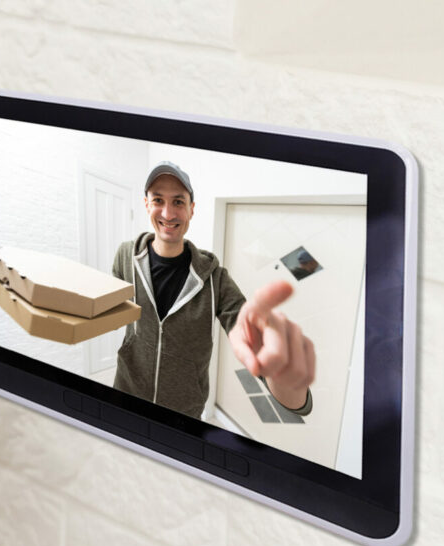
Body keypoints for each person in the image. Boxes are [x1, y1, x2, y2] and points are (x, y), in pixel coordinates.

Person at [110, 161, 317, 421]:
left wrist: (280, 369)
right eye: (158, 200)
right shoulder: (125, 256)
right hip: (125, 398)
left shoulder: (215, 279)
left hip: (183, 415)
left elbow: (250, 336)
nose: (168, 213)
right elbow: (111, 312)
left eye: (178, 202)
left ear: (191, 209)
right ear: (147, 204)